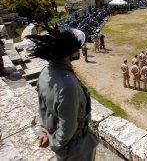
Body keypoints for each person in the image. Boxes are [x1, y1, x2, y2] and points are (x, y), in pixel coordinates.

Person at [27, 26, 98, 161]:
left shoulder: (45, 72)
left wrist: (44, 131)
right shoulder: (67, 85)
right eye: (76, 48)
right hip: (76, 149)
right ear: (66, 55)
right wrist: (54, 142)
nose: (79, 50)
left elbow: (43, 109)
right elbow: (68, 128)